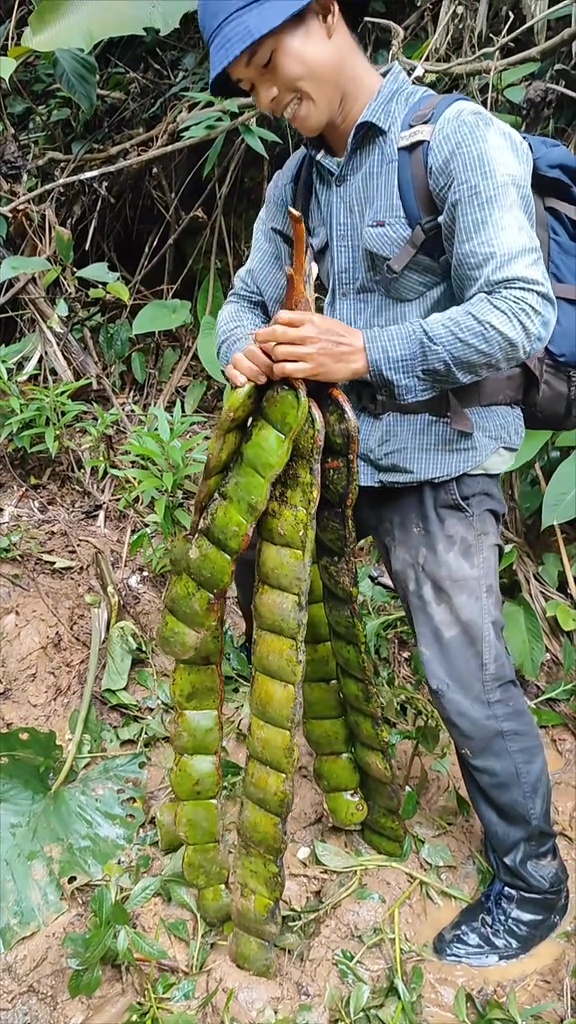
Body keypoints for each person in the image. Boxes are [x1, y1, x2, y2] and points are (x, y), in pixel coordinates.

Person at [197, 0, 570, 967]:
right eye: (250, 89)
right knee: (276, 607)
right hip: (326, 462)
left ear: (326, 15)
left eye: (272, 65)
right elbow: (241, 301)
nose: (271, 97)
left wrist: (365, 350)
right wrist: (242, 351)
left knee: (464, 671)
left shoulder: (454, 141)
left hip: (436, 460)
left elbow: (521, 313)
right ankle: (358, 778)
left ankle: (532, 882)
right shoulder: (296, 178)